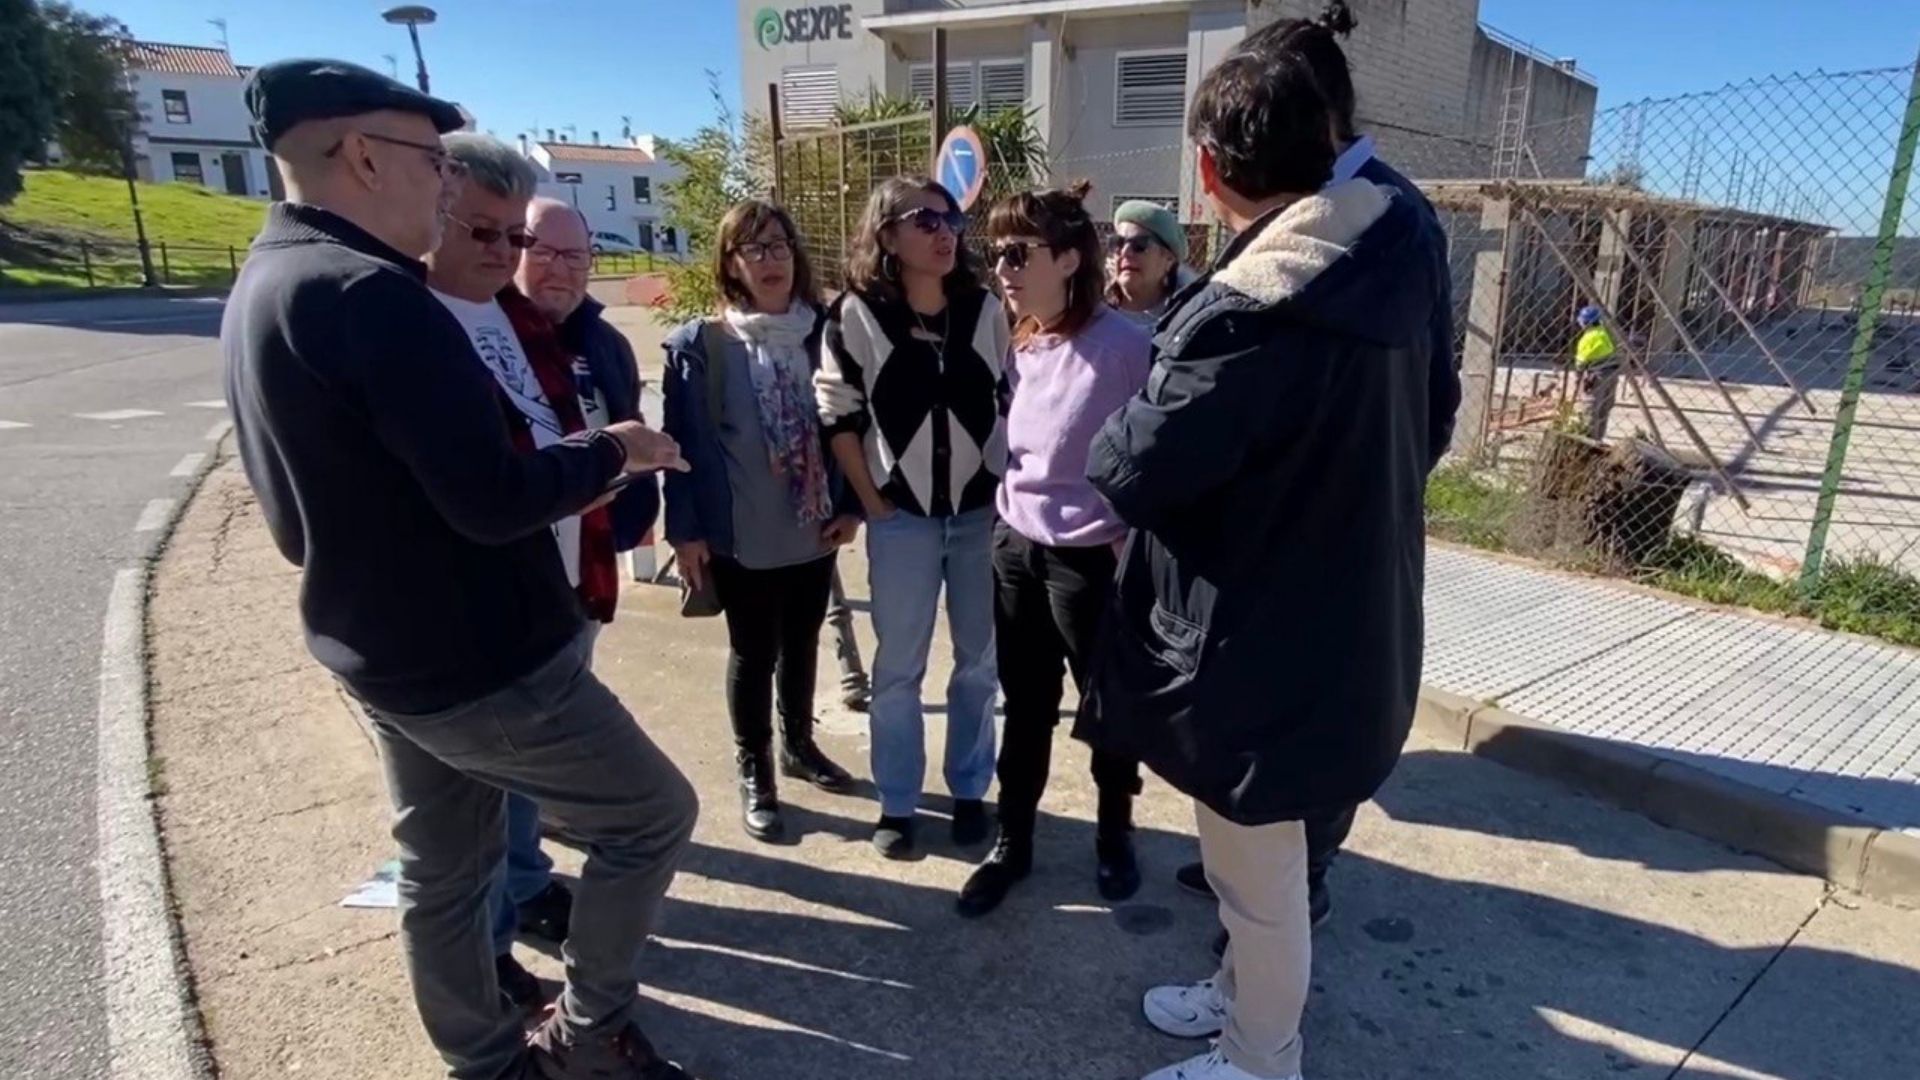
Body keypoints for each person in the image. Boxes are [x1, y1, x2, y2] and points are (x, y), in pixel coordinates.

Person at [224, 60, 699, 1080]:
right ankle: (586, 1034)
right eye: (431, 162)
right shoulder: (372, 296)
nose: (445, 187)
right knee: (652, 814)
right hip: (485, 664)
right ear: (359, 155)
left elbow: (292, 525)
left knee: (444, 873)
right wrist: (619, 449)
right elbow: (492, 497)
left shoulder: (268, 278)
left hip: (386, 658)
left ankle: (484, 1058)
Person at [1074, 38, 1444, 1080]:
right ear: (1333, 139)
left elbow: (1132, 466)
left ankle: (1258, 1059)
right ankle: (1237, 1001)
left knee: (1259, 881)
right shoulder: (1404, 240)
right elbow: (1442, 414)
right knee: (1276, 864)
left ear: (1208, 171)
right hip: (1359, 617)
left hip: (1257, 644)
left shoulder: (1249, 308)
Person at [1170, 0, 1463, 950]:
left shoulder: (1349, 224)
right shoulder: (1374, 210)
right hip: (1342, 529)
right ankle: (1276, 895)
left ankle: (1272, 939)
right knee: (1307, 729)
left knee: (1297, 736)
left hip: (1312, 537)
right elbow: (1436, 398)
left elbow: (1425, 393)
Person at [956, 182, 1150, 918]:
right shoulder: (1025, 337)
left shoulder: (1129, 347)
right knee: (1026, 703)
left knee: (1106, 710)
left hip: (1092, 560)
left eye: (1016, 253)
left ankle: (1113, 834)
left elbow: (1158, 455)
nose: (1001, 269)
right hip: (1016, 545)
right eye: (993, 254)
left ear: (1069, 259)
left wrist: (1132, 545)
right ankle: (1014, 842)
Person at [816, 177, 1010, 859]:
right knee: (898, 667)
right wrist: (871, 502)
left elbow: (1010, 396)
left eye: (951, 218)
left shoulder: (985, 308)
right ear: (887, 234)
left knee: (977, 664)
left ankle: (967, 790)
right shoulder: (856, 315)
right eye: (924, 219)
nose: (944, 231)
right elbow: (837, 413)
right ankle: (897, 802)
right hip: (903, 519)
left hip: (979, 515)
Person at [660, 199, 861, 841]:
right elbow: (679, 444)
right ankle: (757, 771)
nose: (770, 260)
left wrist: (853, 505)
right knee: (754, 652)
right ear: (731, 263)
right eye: (754, 249)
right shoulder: (702, 344)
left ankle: (798, 748)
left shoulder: (825, 332)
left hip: (813, 524)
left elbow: (857, 426)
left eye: (779, 245)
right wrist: (686, 532)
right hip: (740, 534)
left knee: (801, 642)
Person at [1105, 199, 1197, 328]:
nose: (1125, 252)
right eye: (1118, 243)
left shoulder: (1190, 320)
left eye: (1139, 245)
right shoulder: (1090, 314)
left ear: (1168, 259)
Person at [1574, 304, 1620, 439]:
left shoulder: (1587, 338)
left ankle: (1589, 440)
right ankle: (1599, 438)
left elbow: (1580, 364)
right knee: (1604, 410)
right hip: (1613, 373)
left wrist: (1578, 381)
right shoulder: (1605, 333)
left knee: (1591, 409)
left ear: (1585, 322)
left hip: (1597, 375)